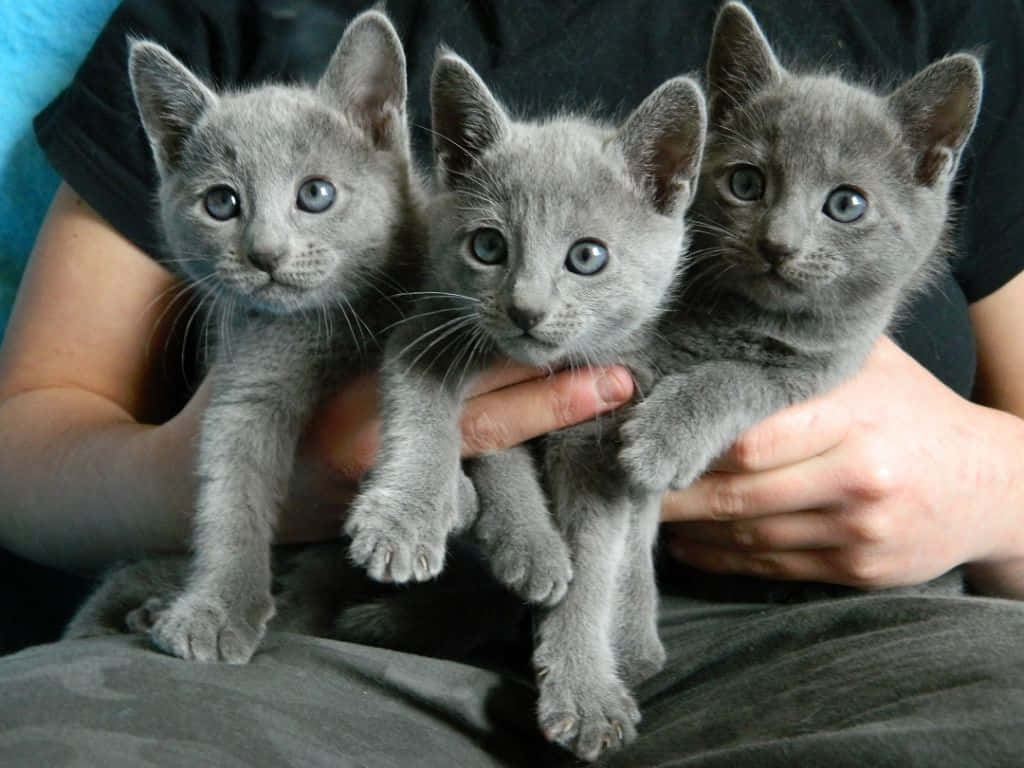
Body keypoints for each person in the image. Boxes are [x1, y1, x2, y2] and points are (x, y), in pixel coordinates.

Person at [0, 0, 1022, 765]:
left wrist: (988, 486)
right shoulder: (236, 26)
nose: (780, 234)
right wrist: (259, 481)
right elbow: (25, 442)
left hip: (830, 641)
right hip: (336, 632)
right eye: (748, 184)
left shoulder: (945, 17)